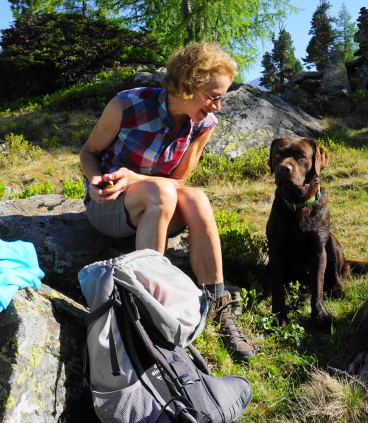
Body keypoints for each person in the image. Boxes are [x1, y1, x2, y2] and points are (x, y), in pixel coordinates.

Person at [79, 42, 255, 361]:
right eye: (212, 97)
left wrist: (134, 177)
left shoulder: (204, 125)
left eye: (222, 97)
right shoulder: (127, 105)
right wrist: (94, 181)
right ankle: (149, 308)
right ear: (186, 86)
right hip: (109, 207)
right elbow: (88, 153)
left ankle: (217, 301)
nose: (217, 106)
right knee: (159, 193)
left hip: (158, 203)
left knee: (197, 198)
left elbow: (179, 181)